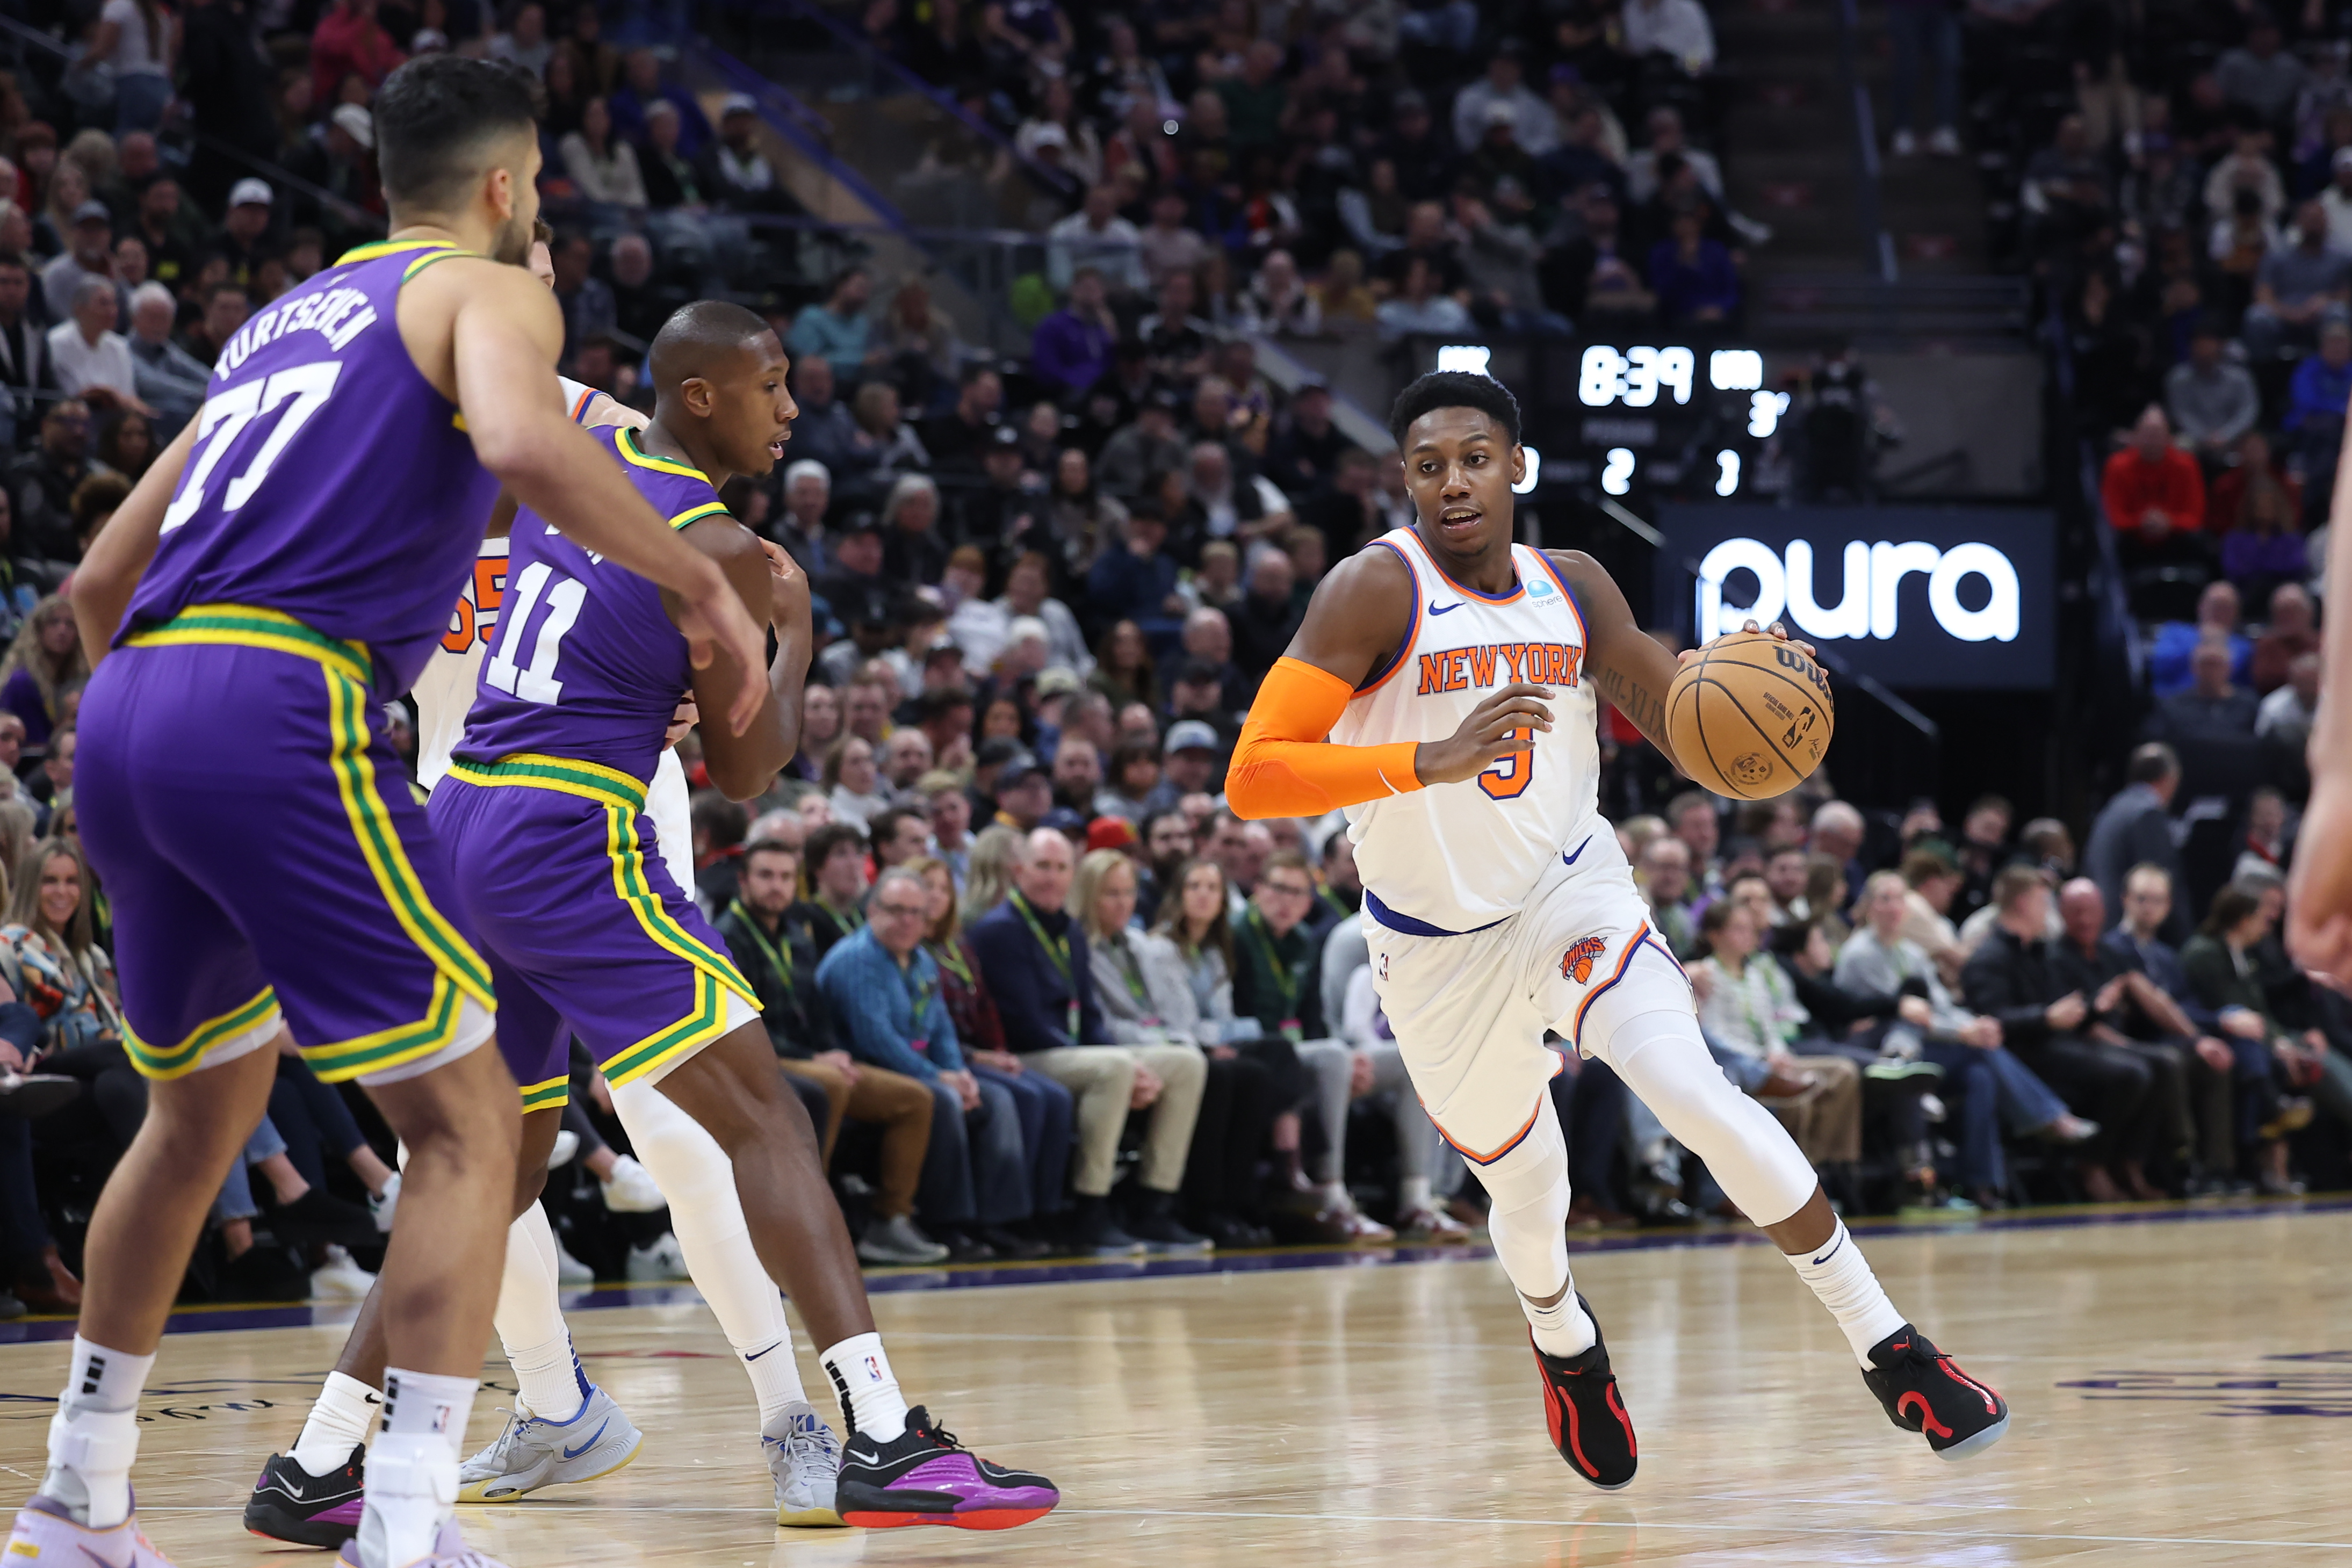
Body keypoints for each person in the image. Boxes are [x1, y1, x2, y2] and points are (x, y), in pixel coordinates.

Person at [1223, 369, 2008, 1489]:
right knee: (1528, 1186)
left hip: (1569, 891)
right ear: (1405, 480)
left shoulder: (1574, 587)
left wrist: (1751, 691)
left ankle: (1892, 1348)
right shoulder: (1369, 592)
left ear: (1516, 467)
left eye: (1475, 458)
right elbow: (1253, 776)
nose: (1454, 481)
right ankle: (1564, 1342)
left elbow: (1687, 730)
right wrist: (1426, 759)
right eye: (1430, 464)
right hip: (1435, 946)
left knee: (1693, 1091)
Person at [422, 294, 1053, 1529]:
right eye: (773, 386)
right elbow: (753, 767)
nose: (794, 408)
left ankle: (370, 1440)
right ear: (704, 395)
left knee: (487, 1162)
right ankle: (877, 1433)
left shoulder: (570, 452)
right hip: (569, 832)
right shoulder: (701, 541)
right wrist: (796, 626)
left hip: (464, 816)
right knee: (762, 1120)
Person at [965, 826, 1208, 1254]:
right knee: (1111, 1069)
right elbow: (1025, 1022)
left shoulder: (1071, 931)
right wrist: (1120, 1063)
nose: (1052, 877)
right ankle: (1090, 1207)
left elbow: (1091, 1017)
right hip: (1027, 1055)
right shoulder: (998, 930)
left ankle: (1155, 1202)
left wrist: (1132, 1063)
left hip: (1074, 1050)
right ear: (1019, 870)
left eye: (1061, 868)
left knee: (1186, 1061)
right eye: (1042, 866)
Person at [716, 837, 948, 1268]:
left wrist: (832, 1050)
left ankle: (889, 1221)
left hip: (810, 1056)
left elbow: (818, 1008)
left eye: (786, 877)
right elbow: (742, 1020)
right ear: (744, 881)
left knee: (915, 1098)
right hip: (756, 1056)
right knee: (830, 1085)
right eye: (766, 876)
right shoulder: (726, 937)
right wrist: (818, 1058)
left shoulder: (796, 930)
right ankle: (805, 1220)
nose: (777, 887)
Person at [816, 866, 1038, 1262]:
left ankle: (995, 1220)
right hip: (869, 1068)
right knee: (941, 1100)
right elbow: (876, 1040)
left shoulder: (921, 959)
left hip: (916, 1067)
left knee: (997, 1099)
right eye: (896, 909)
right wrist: (940, 1077)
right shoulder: (857, 959)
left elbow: (940, 1030)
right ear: (873, 910)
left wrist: (961, 1073)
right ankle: (944, 1221)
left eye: (916, 912)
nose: (907, 920)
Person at [1959, 866, 2160, 1203]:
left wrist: (2094, 1009)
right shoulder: (1988, 957)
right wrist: (2047, 1018)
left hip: (2054, 1045)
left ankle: (2128, 1164)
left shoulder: (2036, 952)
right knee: (2131, 1074)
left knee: (2152, 1065)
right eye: (2044, 902)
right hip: (2022, 1057)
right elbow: (1992, 1023)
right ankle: (2092, 1164)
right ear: (2023, 903)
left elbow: (2060, 1015)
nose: (2049, 911)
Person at [2083, 743, 2189, 942]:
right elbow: (2160, 879)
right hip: (2125, 936)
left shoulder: (2113, 809)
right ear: (2170, 780)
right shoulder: (2148, 814)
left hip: (2102, 925)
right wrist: (2185, 939)